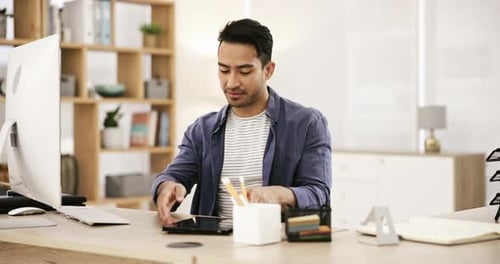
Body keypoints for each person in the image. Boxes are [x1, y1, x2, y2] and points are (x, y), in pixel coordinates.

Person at [152, 18, 332, 225]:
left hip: (276, 248)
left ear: (268, 70)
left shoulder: (306, 123)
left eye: (244, 71)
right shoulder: (202, 129)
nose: (231, 82)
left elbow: (319, 193)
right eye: (224, 70)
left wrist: (282, 195)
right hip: (213, 250)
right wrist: (167, 186)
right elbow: (175, 174)